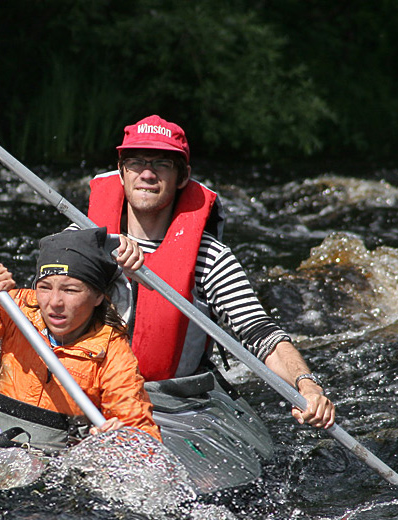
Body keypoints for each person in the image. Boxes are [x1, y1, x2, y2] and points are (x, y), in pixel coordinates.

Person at [89, 114, 335, 429]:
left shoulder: (211, 257)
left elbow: (261, 334)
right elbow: (41, 316)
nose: (147, 173)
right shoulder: (83, 239)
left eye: (162, 164)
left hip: (168, 403)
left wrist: (307, 385)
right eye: (136, 161)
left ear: (182, 176)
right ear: (122, 171)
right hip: (87, 390)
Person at [0, 227, 161, 451]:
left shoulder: (112, 351)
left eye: (70, 290)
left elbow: (144, 440)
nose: (54, 302)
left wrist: (116, 442)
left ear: (99, 295)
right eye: (45, 287)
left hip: (53, 460)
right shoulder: (17, 308)